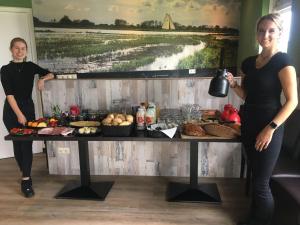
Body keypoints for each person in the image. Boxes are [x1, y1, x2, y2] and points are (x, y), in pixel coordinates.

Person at [226, 13, 298, 225]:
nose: (265, 35)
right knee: (255, 174)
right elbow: (248, 95)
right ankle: (254, 218)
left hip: (269, 127)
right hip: (248, 123)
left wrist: (271, 128)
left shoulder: (284, 62)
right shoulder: (249, 63)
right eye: (261, 30)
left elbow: (292, 101)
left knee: (260, 183)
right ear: (256, 33)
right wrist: (233, 85)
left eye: (271, 30)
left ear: (279, 33)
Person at [0, 37, 54, 198]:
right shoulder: (4, 69)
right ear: (11, 50)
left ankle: (26, 180)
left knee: (27, 144)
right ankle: (25, 173)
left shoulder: (30, 67)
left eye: (23, 48)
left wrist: (42, 79)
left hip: (28, 109)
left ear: (26, 51)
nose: (20, 51)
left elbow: (51, 74)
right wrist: (19, 114)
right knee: (18, 144)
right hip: (11, 111)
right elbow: (9, 95)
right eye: (16, 48)